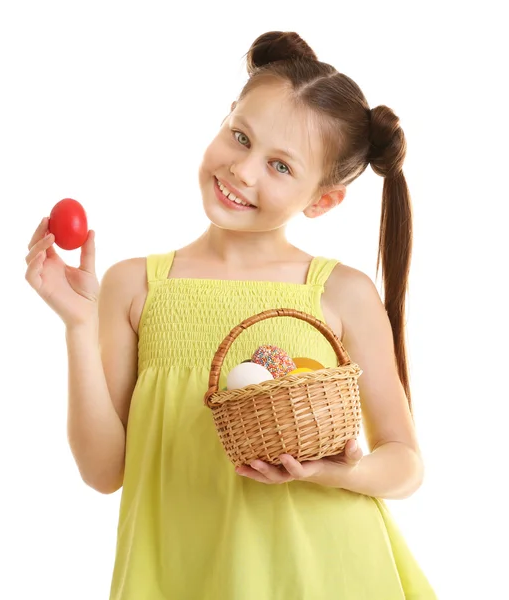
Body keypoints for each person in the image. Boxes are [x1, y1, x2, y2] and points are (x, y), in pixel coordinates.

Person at [25, 30, 436, 600]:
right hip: (182, 574)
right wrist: (76, 325)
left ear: (322, 200)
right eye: (240, 136)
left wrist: (335, 472)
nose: (243, 170)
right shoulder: (134, 285)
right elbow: (103, 472)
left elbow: (405, 462)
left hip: (325, 573)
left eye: (281, 166)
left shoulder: (340, 293)